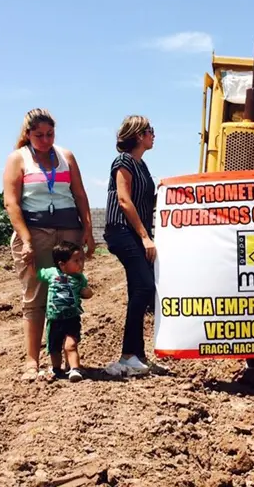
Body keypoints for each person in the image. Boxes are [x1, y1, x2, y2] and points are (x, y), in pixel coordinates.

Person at [3, 108, 95, 382]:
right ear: (28, 135)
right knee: (36, 296)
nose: (45, 140)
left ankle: (68, 360)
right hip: (36, 232)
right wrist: (26, 239)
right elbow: (11, 202)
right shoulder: (17, 159)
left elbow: (79, 194)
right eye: (39, 135)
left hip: (69, 232)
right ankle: (32, 361)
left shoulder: (66, 157)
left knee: (67, 294)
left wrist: (87, 230)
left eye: (50, 134)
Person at [103, 115, 167, 378]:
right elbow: (124, 200)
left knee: (138, 289)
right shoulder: (124, 162)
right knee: (144, 286)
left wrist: (166, 192)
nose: (154, 135)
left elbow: (146, 201)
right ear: (139, 135)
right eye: (150, 131)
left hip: (134, 232)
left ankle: (136, 356)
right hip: (122, 231)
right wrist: (145, 237)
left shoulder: (142, 165)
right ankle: (129, 355)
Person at [38, 241, 93, 382]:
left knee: (71, 345)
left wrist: (87, 292)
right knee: (54, 347)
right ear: (62, 264)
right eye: (76, 260)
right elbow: (38, 273)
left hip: (72, 318)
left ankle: (74, 369)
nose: (80, 263)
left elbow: (85, 293)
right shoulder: (51, 273)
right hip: (54, 319)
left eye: (81, 259)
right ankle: (56, 368)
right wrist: (30, 262)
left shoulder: (80, 278)